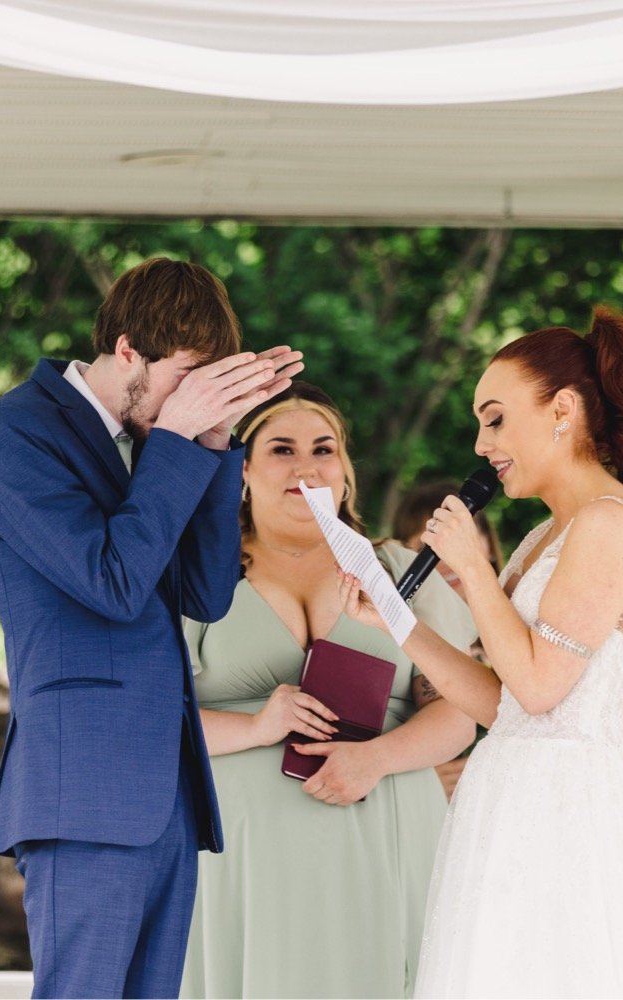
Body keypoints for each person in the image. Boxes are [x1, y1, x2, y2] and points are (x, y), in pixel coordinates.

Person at [339, 307, 623, 997]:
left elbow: (541, 689)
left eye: (496, 418)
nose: (481, 444)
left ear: (562, 410)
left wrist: (473, 569)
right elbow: (500, 702)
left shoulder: (609, 524)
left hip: (572, 815)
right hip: (507, 804)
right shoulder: (543, 537)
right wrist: (398, 624)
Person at [0, 257, 301, 999]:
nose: (194, 399)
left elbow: (205, 593)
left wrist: (212, 442)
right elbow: (112, 584)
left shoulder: (165, 439)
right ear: (127, 351)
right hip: (82, 788)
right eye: (188, 378)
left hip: (167, 793)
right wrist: (177, 444)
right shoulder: (19, 432)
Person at [181, 383, 477, 999]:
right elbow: (146, 721)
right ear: (242, 470)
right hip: (243, 861)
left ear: (344, 472)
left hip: (388, 840)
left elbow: (460, 711)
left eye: (324, 448)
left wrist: (376, 758)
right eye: (281, 450)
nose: (306, 466)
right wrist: (257, 728)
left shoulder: (400, 571)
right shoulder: (190, 578)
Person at [393, 480, 502, 800]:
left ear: (488, 543)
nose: (444, 556)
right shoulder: (402, 639)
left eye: (456, 534)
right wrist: (423, 780)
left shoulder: (525, 617)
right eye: (426, 545)